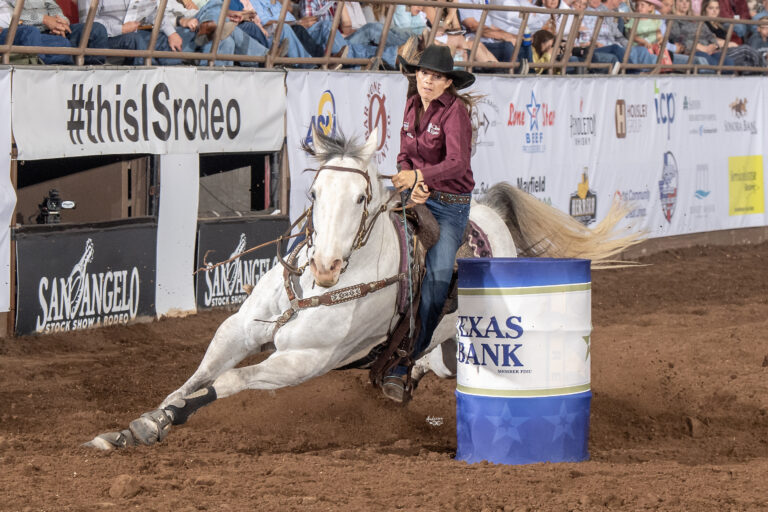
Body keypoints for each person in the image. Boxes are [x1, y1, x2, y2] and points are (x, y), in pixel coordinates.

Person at [383, 45, 476, 402]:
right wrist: (412, 177)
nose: (428, 80)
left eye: (436, 76)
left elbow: (457, 162)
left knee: (436, 279)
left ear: (448, 82)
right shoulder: (411, 105)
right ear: (416, 75)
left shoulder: (456, 114)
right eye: (423, 74)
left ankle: (407, 359)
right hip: (418, 193)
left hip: (451, 206)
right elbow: (404, 153)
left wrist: (421, 177)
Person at [8, 0, 108, 64]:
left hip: (54, 30)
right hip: (27, 33)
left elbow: (53, 8)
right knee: (59, 42)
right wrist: (44, 19)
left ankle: (92, 75)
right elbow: (8, 18)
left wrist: (62, 22)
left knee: (97, 29)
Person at [702, 0, 765, 66]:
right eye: (711, 8)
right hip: (718, 53)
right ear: (704, 9)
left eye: (717, 8)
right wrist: (729, 43)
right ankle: (765, 68)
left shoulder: (719, 24)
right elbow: (712, 40)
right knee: (745, 49)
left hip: (728, 51)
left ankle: (762, 71)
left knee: (746, 63)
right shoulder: (704, 24)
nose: (715, 11)